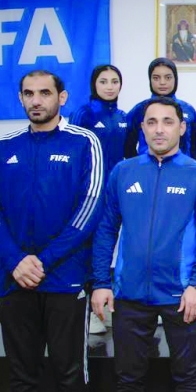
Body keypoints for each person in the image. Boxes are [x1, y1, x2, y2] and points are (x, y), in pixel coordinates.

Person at [0, 70, 104, 392]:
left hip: (64, 278)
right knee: (22, 368)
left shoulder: (84, 143)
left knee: (69, 368)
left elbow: (89, 209)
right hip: (13, 277)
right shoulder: (4, 147)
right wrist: (18, 260)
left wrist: (43, 260)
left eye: (45, 93)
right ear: (20, 99)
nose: (37, 101)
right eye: (29, 94)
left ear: (62, 97)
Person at [92, 97, 196, 392]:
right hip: (130, 294)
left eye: (168, 121)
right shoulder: (122, 171)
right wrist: (100, 282)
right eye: (152, 122)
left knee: (187, 373)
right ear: (142, 128)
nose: (159, 128)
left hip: (181, 293)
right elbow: (106, 229)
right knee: (128, 375)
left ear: (182, 127)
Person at [70, 64, 128, 336]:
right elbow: (75, 153)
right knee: (91, 250)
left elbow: (129, 157)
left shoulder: (123, 117)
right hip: (90, 195)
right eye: (103, 81)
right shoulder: (84, 113)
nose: (109, 86)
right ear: (95, 84)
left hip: (115, 194)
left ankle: (107, 306)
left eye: (114, 81)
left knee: (110, 248)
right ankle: (91, 312)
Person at [124, 58, 196, 161]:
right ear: (150, 80)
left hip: (182, 171)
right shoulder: (139, 110)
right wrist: (140, 165)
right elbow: (128, 146)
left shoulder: (188, 110)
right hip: (148, 172)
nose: (162, 82)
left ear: (175, 79)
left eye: (168, 77)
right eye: (156, 78)